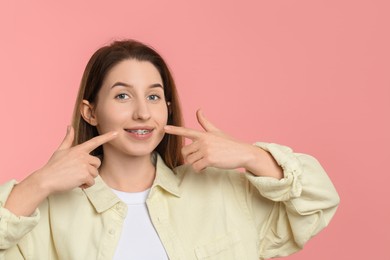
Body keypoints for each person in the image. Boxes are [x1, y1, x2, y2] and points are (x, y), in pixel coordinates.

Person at [0, 39, 339, 260]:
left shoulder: (222, 192)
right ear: (91, 111)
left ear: (167, 106)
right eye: (122, 95)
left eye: (153, 96)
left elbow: (318, 202)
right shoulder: (49, 213)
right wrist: (39, 184)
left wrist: (252, 155)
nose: (142, 113)